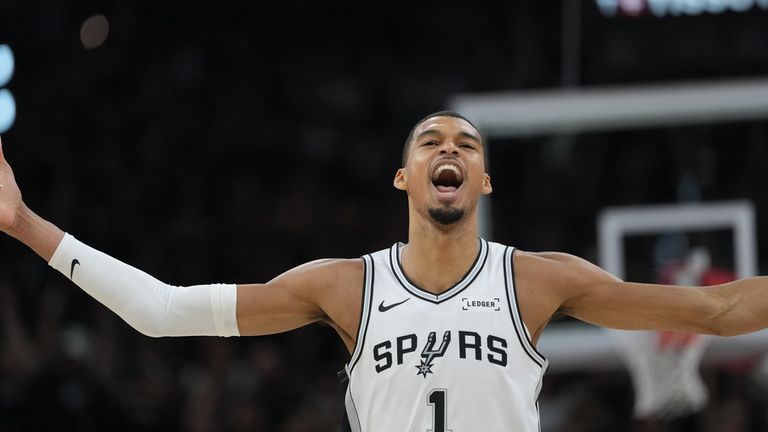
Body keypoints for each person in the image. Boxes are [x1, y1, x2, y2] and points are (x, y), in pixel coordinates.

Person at [1, 110, 767, 432]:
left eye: (468, 146)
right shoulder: (345, 286)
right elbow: (163, 311)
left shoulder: (537, 280)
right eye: (431, 142)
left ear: (484, 183)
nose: (450, 151)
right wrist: (24, 224)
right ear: (404, 178)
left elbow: (721, 311)